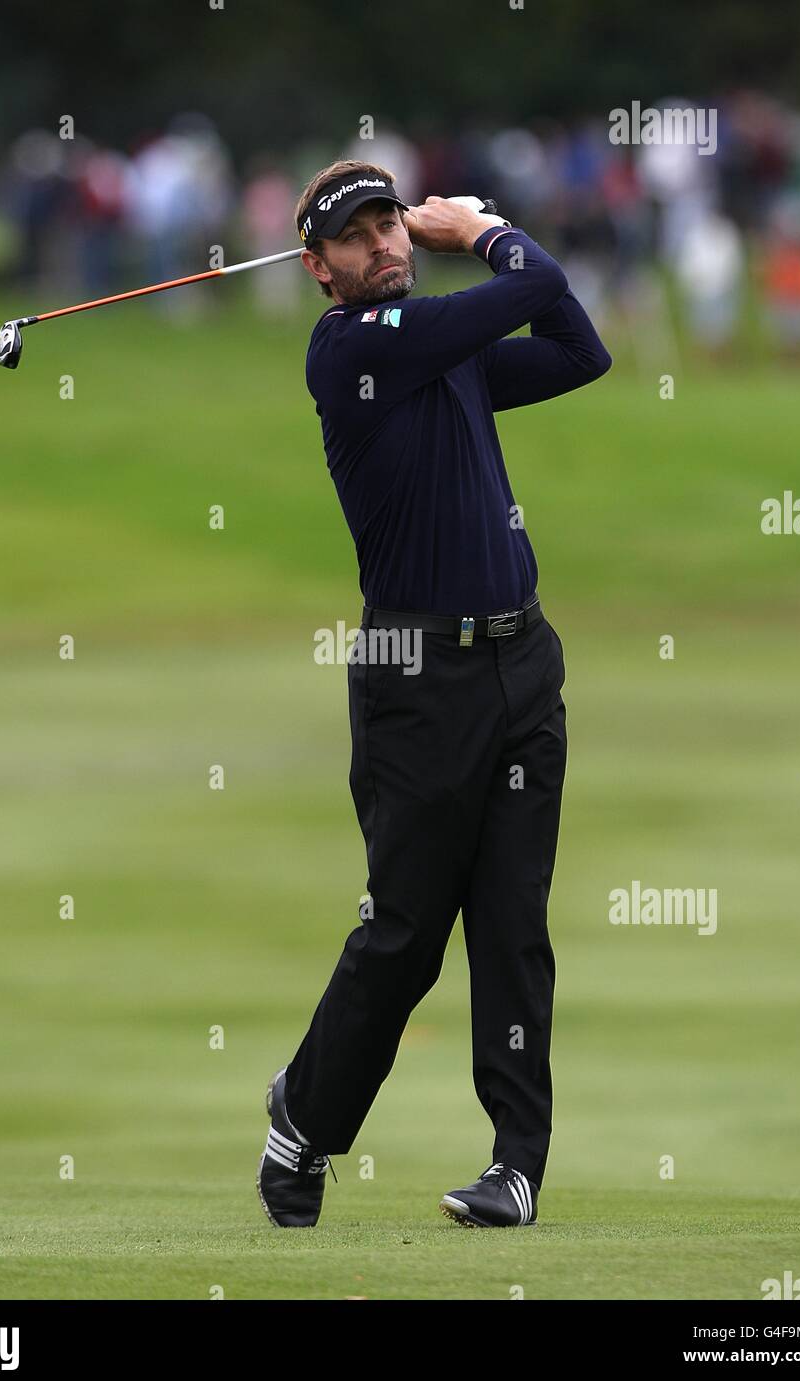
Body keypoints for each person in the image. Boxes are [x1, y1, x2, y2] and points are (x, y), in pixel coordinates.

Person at [257, 159, 611, 1229]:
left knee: (512, 923)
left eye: (392, 226)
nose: (387, 247)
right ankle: (303, 1122)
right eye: (360, 239)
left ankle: (515, 1164)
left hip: (521, 662)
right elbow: (527, 281)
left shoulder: (443, 355)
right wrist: (486, 229)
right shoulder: (354, 352)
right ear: (319, 270)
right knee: (406, 932)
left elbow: (578, 350)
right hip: (418, 685)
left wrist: (487, 247)